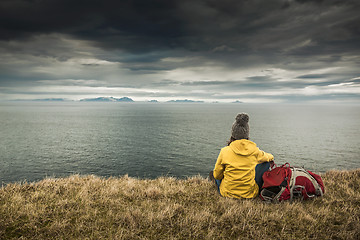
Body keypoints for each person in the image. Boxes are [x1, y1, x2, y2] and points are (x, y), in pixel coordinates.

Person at [209, 113, 274, 199]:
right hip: (249, 194)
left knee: (215, 175)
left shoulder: (225, 151)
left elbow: (217, 175)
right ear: (247, 134)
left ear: (232, 134)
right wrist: (271, 158)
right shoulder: (255, 151)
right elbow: (268, 156)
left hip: (227, 193)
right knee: (265, 163)